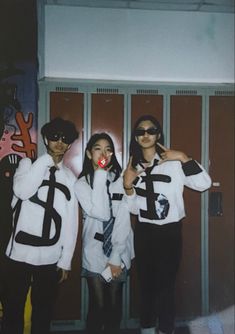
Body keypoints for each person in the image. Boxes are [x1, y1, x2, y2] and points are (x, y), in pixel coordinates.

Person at [123, 115, 211, 334]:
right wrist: (127, 186)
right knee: (146, 286)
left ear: (158, 134)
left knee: (166, 286)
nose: (145, 135)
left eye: (150, 130)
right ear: (135, 137)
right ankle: (147, 329)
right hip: (144, 232)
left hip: (169, 233)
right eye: (140, 131)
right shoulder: (133, 168)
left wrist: (182, 157)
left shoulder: (174, 163)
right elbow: (132, 209)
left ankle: (166, 330)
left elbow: (204, 184)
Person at [1, 117, 79, 334]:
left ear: (70, 144)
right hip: (19, 254)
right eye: (54, 137)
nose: (59, 142)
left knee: (43, 312)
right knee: (13, 310)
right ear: (45, 139)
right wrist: (46, 162)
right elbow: (22, 191)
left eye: (65, 139)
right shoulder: (28, 164)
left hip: (49, 256)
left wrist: (66, 260)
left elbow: (71, 222)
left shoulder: (70, 179)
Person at [75, 132, 134, 334]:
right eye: (98, 148)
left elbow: (124, 218)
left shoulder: (120, 180)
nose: (104, 153)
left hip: (119, 249)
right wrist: (100, 174)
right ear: (89, 153)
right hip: (94, 251)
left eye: (108, 149)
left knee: (114, 306)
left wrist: (116, 256)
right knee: (98, 307)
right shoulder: (81, 184)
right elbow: (100, 213)